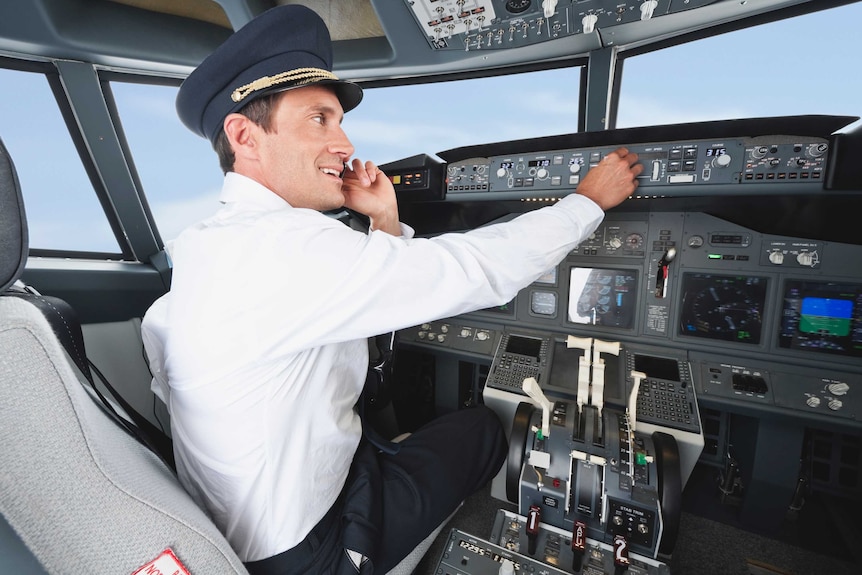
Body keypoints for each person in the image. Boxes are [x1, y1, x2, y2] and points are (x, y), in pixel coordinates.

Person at [141, 4, 642, 575]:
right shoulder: (286, 247)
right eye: (319, 120)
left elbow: (356, 293)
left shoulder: (210, 244)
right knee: (482, 429)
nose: (344, 141)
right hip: (307, 550)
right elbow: (474, 267)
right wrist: (586, 203)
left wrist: (384, 222)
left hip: (242, 519)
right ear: (244, 135)